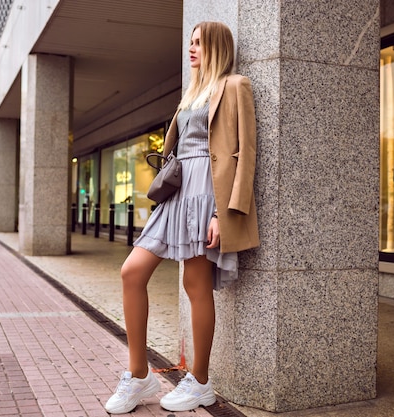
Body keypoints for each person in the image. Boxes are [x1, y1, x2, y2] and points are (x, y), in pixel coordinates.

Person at [105, 21, 259, 414]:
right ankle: (138, 376)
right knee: (132, 272)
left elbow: (245, 154)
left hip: (208, 194)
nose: (191, 49)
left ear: (217, 47)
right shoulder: (191, 93)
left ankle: (201, 383)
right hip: (176, 195)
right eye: (189, 42)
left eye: (199, 43)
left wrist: (225, 214)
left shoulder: (235, 86)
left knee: (196, 285)